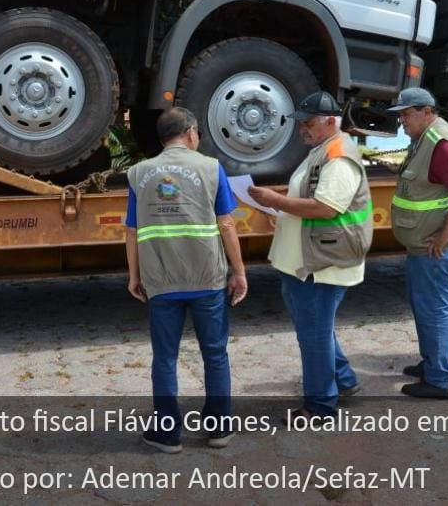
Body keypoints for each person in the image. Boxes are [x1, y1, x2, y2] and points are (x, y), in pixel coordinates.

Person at [125, 107, 248, 454]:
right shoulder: (211, 168)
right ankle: (219, 429)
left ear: (163, 138)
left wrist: (135, 276)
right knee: (215, 354)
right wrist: (238, 272)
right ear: (192, 133)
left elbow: (132, 231)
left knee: (164, 357)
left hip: (161, 280)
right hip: (207, 278)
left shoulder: (139, 173)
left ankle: (167, 434)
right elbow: (227, 223)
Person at [248, 91, 373, 422]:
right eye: (299, 122)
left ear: (330, 121)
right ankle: (343, 380)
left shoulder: (338, 155)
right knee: (318, 329)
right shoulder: (323, 149)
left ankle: (320, 407)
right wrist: (282, 208)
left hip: (322, 264)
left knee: (314, 335)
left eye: (307, 122)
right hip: (311, 261)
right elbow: (313, 201)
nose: (301, 128)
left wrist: (276, 201)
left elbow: (326, 207)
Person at [389, 88, 448, 399]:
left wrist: (446, 233)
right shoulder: (426, 138)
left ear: (427, 111)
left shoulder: (440, 142)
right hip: (425, 246)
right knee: (427, 308)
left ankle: (439, 380)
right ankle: (432, 365)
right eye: (400, 114)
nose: (402, 120)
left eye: (407, 113)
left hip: (435, 248)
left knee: (433, 311)